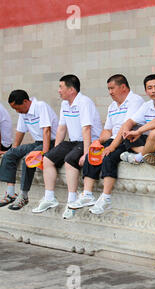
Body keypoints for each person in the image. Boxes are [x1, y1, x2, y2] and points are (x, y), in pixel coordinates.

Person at [68, 74, 145, 215]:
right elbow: (108, 130)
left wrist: (112, 147)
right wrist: (98, 142)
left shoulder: (135, 100)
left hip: (129, 139)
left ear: (123, 87)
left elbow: (125, 127)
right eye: (108, 89)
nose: (110, 92)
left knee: (109, 156)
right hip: (114, 139)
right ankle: (87, 194)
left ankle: (106, 198)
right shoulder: (112, 106)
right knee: (94, 153)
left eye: (112, 88)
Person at [32, 74, 103, 219]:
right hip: (73, 141)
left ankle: (71, 202)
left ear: (71, 90)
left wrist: (86, 153)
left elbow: (87, 129)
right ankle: (49, 197)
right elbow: (61, 128)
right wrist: (55, 151)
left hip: (88, 141)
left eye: (61, 87)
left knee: (70, 160)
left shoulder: (84, 102)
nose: (58, 90)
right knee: (47, 159)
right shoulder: (65, 104)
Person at [0, 90, 58, 210]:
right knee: (9, 155)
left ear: (25, 102)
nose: (17, 111)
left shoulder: (40, 106)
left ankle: (24, 195)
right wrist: (14, 150)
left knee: (29, 158)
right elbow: (20, 131)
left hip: (51, 143)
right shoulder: (23, 113)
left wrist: (44, 154)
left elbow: (46, 131)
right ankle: (10, 193)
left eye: (17, 108)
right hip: (37, 142)